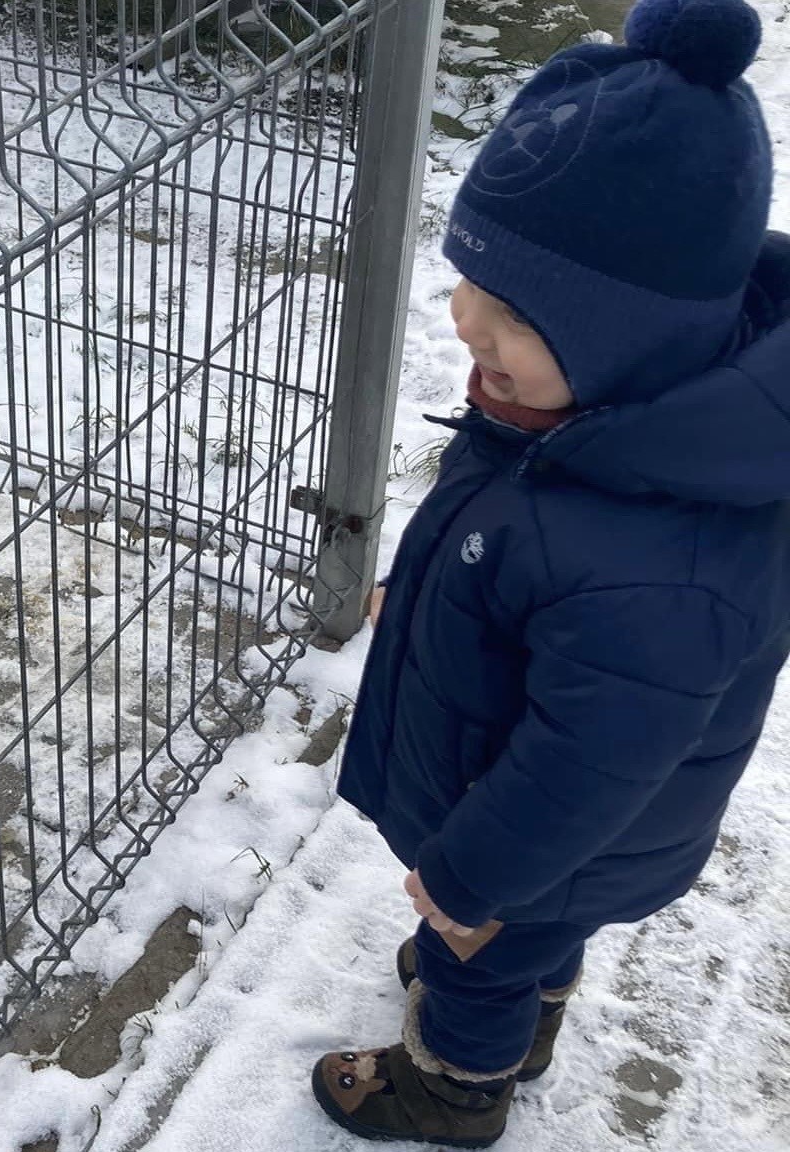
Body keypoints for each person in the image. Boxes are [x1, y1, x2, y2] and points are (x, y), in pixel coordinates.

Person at [309, 0, 790, 1145]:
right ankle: (533, 1003)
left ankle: (456, 1085)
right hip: (535, 824)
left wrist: (469, 880)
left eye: (509, 314)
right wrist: (420, 588)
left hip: (530, 832)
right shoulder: (581, 410)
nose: (467, 325)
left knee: (483, 950)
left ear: (636, 338)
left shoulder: (671, 561)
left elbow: (588, 765)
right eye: (466, 280)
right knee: (522, 933)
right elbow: (504, 523)